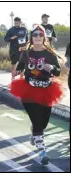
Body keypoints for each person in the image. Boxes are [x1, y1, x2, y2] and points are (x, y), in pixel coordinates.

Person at [10, 24, 63, 165]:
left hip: (46, 89)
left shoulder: (49, 53)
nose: (38, 37)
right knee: (37, 121)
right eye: (35, 35)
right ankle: (42, 152)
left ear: (44, 37)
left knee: (43, 123)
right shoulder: (26, 52)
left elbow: (58, 71)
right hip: (29, 90)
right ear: (31, 38)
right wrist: (16, 71)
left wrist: (51, 67)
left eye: (40, 34)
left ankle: (35, 131)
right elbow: (21, 65)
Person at [4, 17, 28, 81]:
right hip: (14, 49)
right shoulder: (11, 30)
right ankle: (13, 79)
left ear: (20, 22)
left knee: (22, 64)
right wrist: (12, 38)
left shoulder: (24, 29)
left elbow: (27, 39)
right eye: (15, 23)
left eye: (17, 23)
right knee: (14, 64)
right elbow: (5, 39)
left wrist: (27, 46)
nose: (16, 24)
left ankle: (21, 79)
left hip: (23, 48)